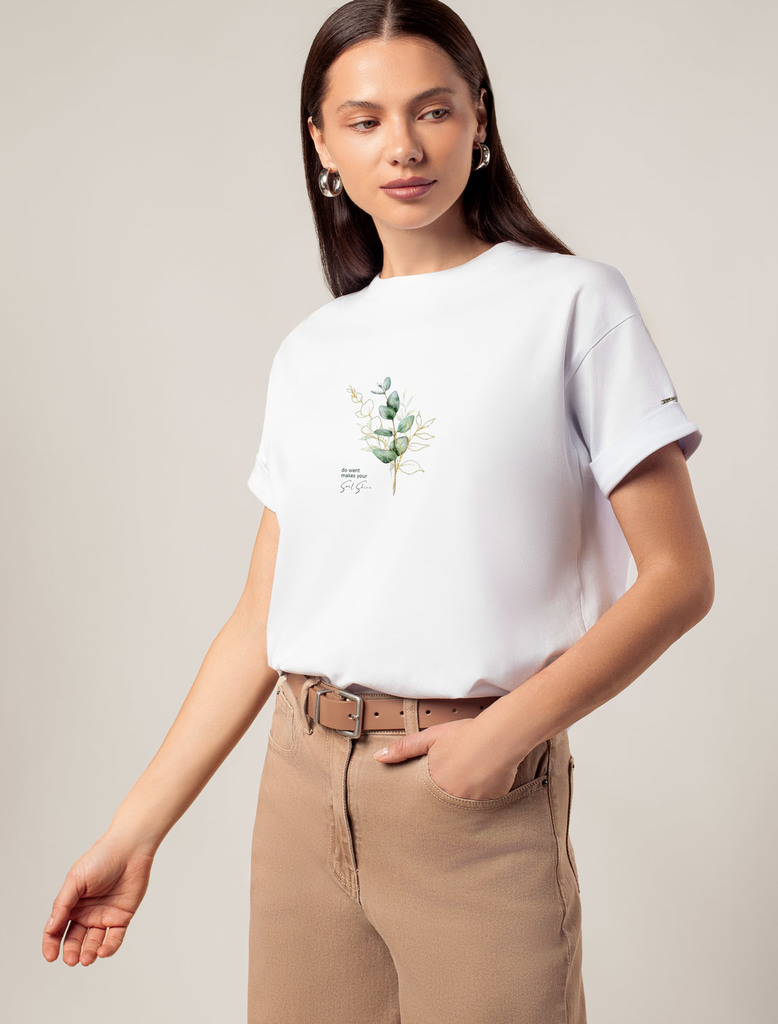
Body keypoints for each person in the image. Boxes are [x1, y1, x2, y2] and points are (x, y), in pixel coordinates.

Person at [42, 2, 714, 1022]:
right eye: (363, 121)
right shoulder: (313, 351)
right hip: (300, 786)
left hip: (472, 799)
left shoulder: (573, 305)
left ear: (479, 119)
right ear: (321, 143)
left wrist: (507, 733)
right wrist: (135, 831)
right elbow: (260, 621)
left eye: (432, 110)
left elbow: (678, 578)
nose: (402, 146)